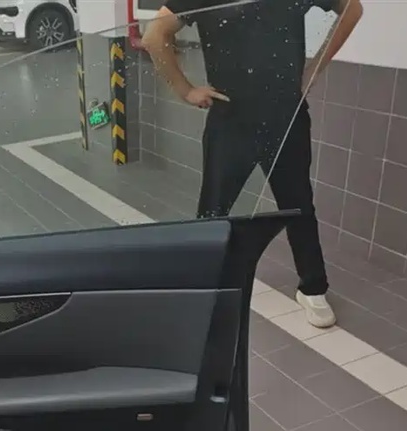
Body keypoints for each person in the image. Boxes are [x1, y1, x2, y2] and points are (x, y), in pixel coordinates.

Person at [143, 0, 363, 328]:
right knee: (214, 210)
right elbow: (154, 35)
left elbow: (351, 8)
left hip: (285, 115)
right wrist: (185, 90)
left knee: (297, 204)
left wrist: (315, 67)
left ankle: (313, 287)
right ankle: (203, 285)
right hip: (232, 120)